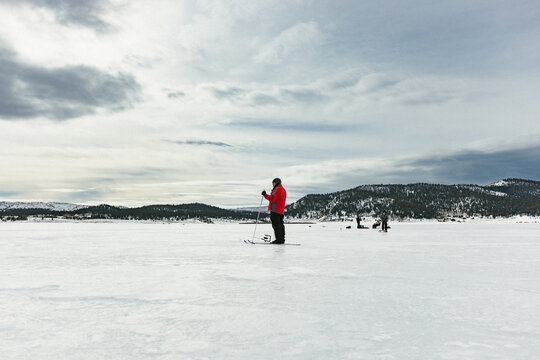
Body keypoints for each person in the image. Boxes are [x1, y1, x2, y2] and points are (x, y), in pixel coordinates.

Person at [262, 178, 287, 244]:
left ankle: (278, 240)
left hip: (275, 210)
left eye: (273, 183)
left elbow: (272, 198)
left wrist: (265, 195)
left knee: (276, 226)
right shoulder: (283, 189)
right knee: (281, 225)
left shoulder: (277, 189)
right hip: (281, 211)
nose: (272, 184)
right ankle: (281, 239)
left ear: (276, 183)